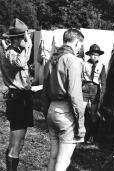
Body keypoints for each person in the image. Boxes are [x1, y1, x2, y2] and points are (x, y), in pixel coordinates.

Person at [42, 28, 85, 171]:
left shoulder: (52, 59)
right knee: (63, 160)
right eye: (80, 45)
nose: (80, 49)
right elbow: (75, 95)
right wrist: (81, 123)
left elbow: (45, 91)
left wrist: (45, 111)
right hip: (66, 111)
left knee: (53, 156)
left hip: (51, 110)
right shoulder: (72, 60)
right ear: (77, 42)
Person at [0, 18, 33, 171]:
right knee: (16, 143)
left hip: (23, 98)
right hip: (17, 99)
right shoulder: (10, 53)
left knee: (19, 142)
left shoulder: (18, 52)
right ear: (17, 39)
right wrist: (29, 44)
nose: (28, 39)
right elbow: (20, 63)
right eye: (25, 37)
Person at [82, 44, 106, 144]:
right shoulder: (84, 64)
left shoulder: (102, 66)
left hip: (95, 90)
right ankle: (80, 133)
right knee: (81, 112)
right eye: (92, 54)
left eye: (96, 55)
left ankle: (92, 135)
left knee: (93, 113)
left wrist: (102, 94)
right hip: (85, 88)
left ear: (99, 56)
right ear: (89, 55)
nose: (94, 56)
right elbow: (80, 76)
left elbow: (103, 81)